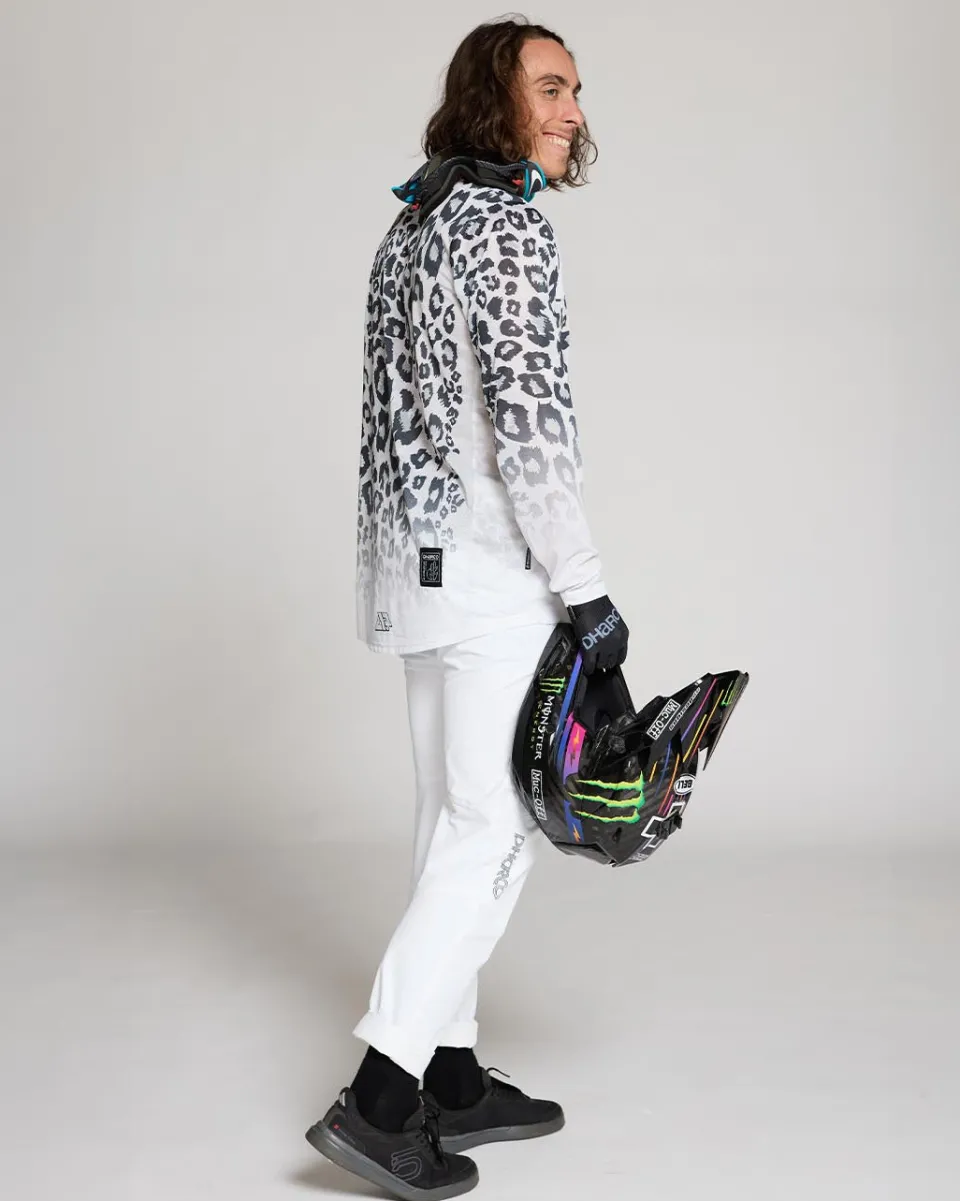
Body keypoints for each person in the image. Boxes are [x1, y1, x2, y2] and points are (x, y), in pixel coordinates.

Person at [306, 17, 629, 1199]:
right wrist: (585, 588)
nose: (573, 112)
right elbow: (527, 427)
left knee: (448, 817)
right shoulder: (506, 227)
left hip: (416, 573)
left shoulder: (416, 221)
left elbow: (393, 426)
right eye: (550, 88)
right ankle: (380, 1098)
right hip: (493, 573)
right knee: (489, 834)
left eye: (577, 91)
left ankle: (451, 1072)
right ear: (494, 99)